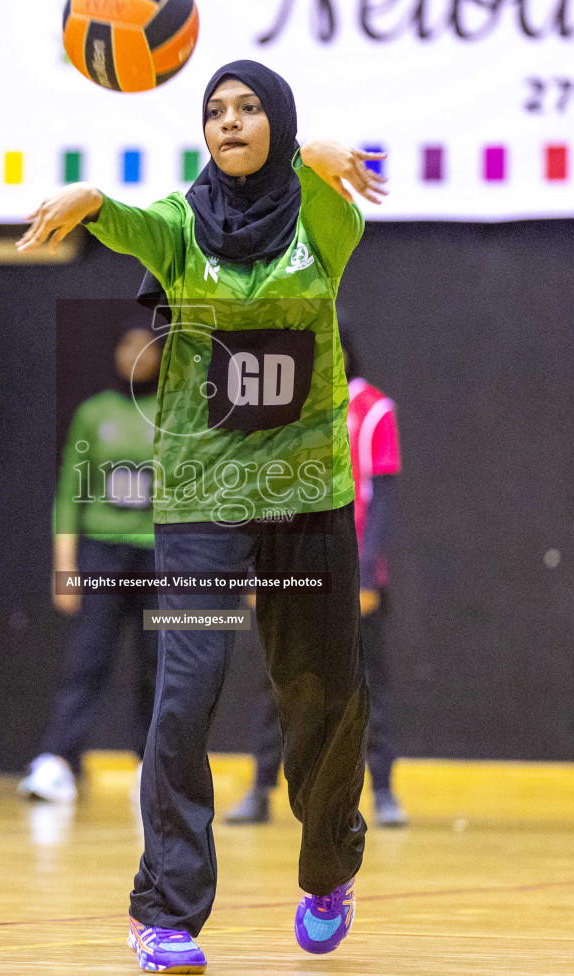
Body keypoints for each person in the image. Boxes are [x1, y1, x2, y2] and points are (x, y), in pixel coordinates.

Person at [18, 59, 387, 973]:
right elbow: (128, 222)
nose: (228, 122)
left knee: (325, 700)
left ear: (280, 125)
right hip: (201, 501)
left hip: (306, 496)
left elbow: (329, 179)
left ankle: (328, 867)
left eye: (249, 108)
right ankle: (165, 912)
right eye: (215, 110)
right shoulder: (182, 229)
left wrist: (316, 158)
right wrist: (92, 199)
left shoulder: (323, 220)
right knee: (184, 697)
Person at [225, 325, 407, 827]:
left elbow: (383, 499)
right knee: (275, 682)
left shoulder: (373, 410)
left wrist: (367, 575)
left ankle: (385, 790)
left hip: (350, 570)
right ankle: (260, 789)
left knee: (367, 682)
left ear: (343, 348)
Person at [19, 326, 162, 804]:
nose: (134, 354)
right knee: (88, 658)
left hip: (159, 554)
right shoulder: (94, 413)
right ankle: (57, 761)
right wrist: (65, 563)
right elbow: (68, 492)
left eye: (145, 345)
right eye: (125, 343)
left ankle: (152, 766)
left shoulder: (178, 413)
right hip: (103, 551)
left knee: (157, 663)